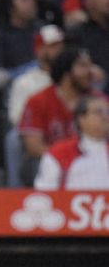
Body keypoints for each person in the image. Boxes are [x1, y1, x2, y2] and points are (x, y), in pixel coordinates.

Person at [19, 46, 95, 184]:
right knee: (37, 165)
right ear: (66, 72)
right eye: (83, 66)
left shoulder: (98, 102)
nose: (90, 72)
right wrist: (68, 158)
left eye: (90, 66)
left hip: (94, 161)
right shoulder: (38, 101)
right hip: (53, 161)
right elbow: (34, 146)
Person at [5, 24, 65, 186]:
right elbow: (16, 117)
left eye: (61, 45)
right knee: (13, 139)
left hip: (66, 128)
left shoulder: (72, 77)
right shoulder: (25, 81)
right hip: (39, 132)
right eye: (53, 46)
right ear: (39, 50)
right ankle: (16, 192)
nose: (60, 50)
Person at [34, 94, 109, 189]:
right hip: (68, 202)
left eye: (107, 112)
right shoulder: (59, 153)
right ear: (81, 119)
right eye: (99, 112)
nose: (105, 117)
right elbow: (45, 191)